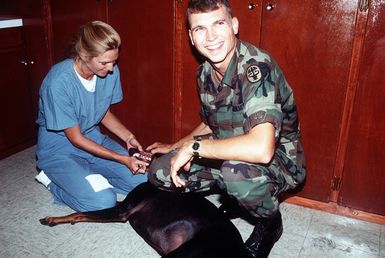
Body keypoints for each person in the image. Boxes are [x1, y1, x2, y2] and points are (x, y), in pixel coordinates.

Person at [147, 0, 306, 257]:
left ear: (234, 25)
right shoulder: (204, 74)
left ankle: (270, 222)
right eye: (200, 29)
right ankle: (235, 196)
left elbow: (262, 149)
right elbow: (211, 121)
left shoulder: (256, 68)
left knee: (236, 174)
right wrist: (177, 145)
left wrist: (195, 147)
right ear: (191, 36)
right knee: (159, 172)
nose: (210, 37)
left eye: (218, 24)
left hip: (279, 160)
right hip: (228, 150)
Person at [35, 21, 148, 212]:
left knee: (143, 181)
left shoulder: (108, 71)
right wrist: (121, 159)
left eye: (114, 61)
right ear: (83, 55)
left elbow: (103, 112)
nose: (111, 68)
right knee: (103, 201)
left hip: (92, 138)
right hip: (59, 149)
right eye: (104, 63)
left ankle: (85, 178)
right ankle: (52, 181)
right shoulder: (58, 82)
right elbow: (76, 138)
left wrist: (128, 137)